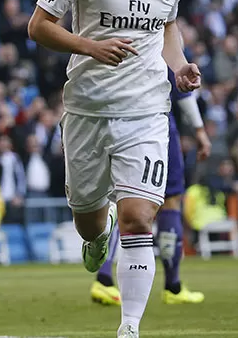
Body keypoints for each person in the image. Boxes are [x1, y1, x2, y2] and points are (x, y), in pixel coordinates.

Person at [27, 0, 199, 338]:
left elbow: (166, 26)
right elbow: (38, 25)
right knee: (90, 222)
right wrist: (89, 47)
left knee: (139, 216)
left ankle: (129, 327)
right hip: (86, 109)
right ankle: (97, 237)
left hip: (146, 111)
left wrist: (180, 65)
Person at [91, 69, 211, 306]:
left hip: (113, 119)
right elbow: (183, 90)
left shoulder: (111, 34)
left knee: (117, 199)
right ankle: (173, 286)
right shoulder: (158, 35)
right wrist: (199, 129)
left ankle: (103, 278)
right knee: (170, 200)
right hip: (155, 123)